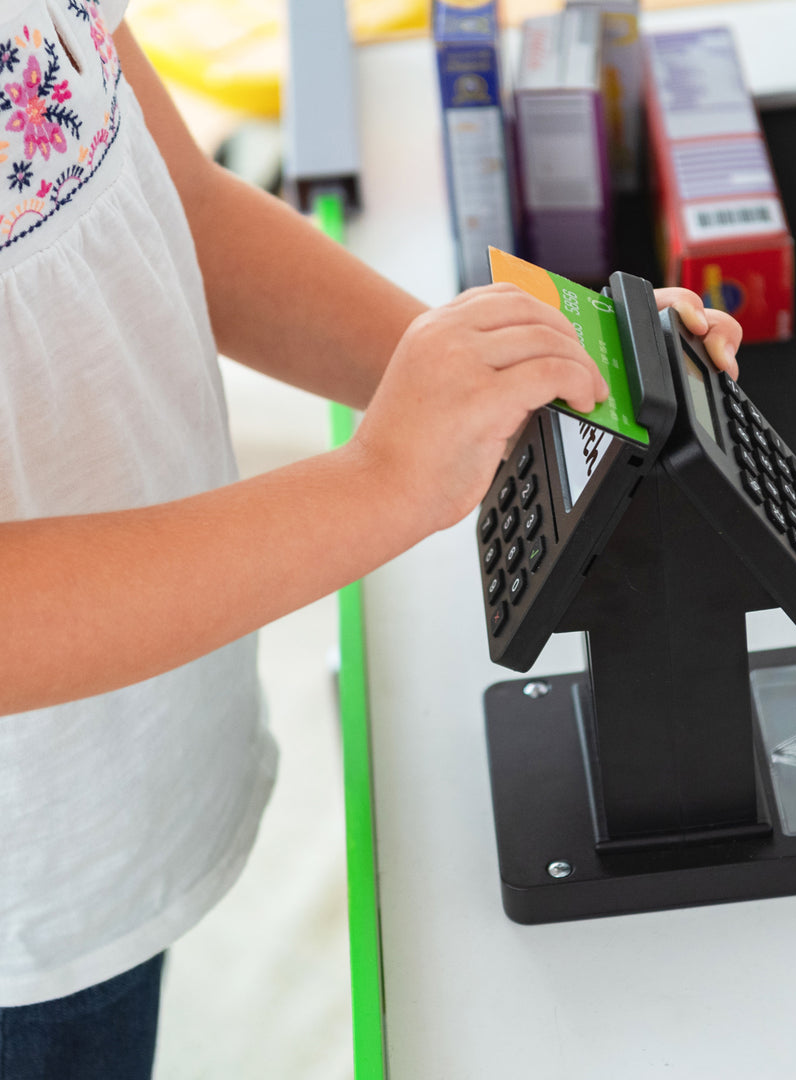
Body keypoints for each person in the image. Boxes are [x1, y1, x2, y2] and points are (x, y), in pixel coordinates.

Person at [0, 1, 743, 1075]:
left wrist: (508, 380)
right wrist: (379, 481)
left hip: (130, 774)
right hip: (31, 899)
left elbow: (187, 208)